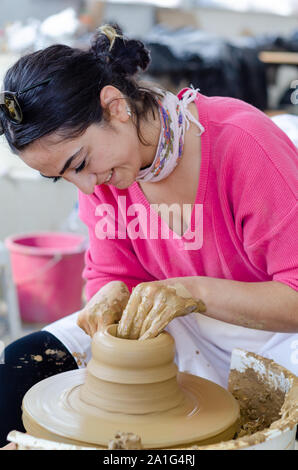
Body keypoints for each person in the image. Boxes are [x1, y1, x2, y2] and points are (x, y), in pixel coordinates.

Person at [0, 23, 297, 447]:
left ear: (114, 105)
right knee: (17, 365)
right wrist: (107, 297)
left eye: (79, 163)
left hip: (274, 335)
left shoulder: (242, 143)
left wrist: (192, 290)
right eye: (61, 178)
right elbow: (111, 275)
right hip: (171, 331)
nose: (85, 188)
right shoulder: (103, 174)